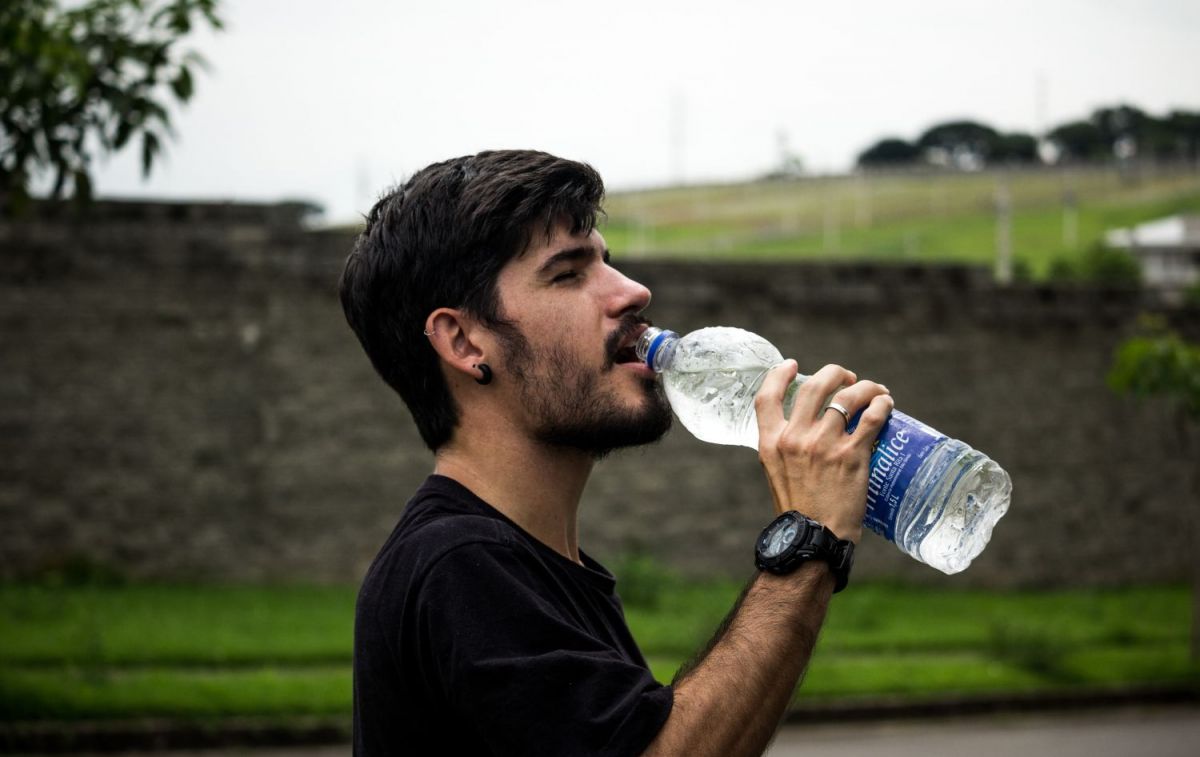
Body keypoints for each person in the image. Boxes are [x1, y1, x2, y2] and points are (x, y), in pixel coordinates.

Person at [339, 149, 893, 756]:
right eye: (568, 273)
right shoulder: (460, 565)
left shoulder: (533, 565)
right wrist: (809, 540)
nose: (633, 291)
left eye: (608, 261)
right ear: (465, 341)